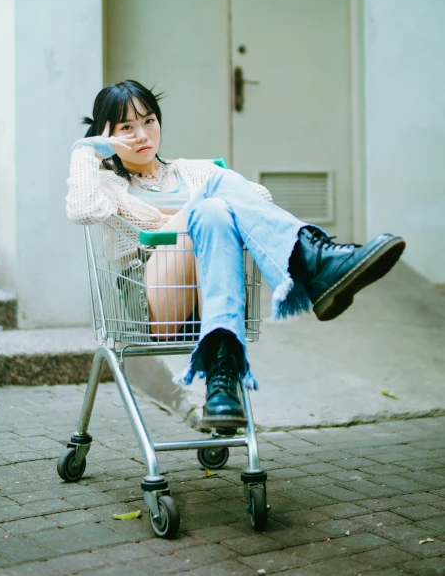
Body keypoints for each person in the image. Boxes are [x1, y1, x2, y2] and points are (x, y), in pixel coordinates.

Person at [66, 80, 405, 430]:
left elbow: (259, 198)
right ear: (107, 133)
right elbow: (82, 210)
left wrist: (197, 213)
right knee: (211, 200)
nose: (142, 134)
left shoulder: (191, 170)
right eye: (126, 127)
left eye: (149, 120)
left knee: (213, 211)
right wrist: (88, 149)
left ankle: (222, 377)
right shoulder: (107, 182)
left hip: (208, 300)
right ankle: (314, 260)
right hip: (150, 303)